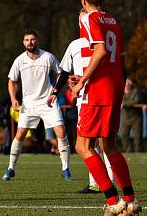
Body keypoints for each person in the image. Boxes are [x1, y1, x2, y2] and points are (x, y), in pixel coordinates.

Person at [70, 0, 141, 214]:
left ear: (83, 0)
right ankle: (130, 200)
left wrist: (82, 80)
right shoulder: (113, 21)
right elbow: (119, 59)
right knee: (109, 144)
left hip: (97, 89)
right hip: (114, 86)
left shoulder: (89, 18)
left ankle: (113, 201)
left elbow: (100, 50)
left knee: (82, 145)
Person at [2, 29, 71, 181]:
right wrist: (13, 98)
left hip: (48, 102)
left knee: (61, 132)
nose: (30, 42)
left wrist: (57, 90)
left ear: (37, 40)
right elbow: (11, 81)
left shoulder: (48, 57)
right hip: (29, 104)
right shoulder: (19, 60)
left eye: (32, 39)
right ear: (23, 42)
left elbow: (61, 73)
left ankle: (65, 168)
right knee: (20, 135)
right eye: (27, 40)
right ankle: (11, 168)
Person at [49, 34, 114, 194]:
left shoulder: (102, 44)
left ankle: (109, 183)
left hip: (95, 97)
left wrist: (81, 81)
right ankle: (97, 183)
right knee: (93, 144)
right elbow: (65, 72)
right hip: (87, 98)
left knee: (96, 143)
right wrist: (56, 91)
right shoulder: (76, 45)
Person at [120, 79, 143, 153]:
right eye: (125, 85)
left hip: (136, 117)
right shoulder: (121, 93)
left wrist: (125, 104)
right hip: (126, 118)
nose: (126, 87)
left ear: (130, 86)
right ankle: (128, 150)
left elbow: (136, 101)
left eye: (127, 85)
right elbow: (121, 102)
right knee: (124, 135)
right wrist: (125, 104)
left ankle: (138, 151)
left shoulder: (135, 92)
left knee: (137, 136)